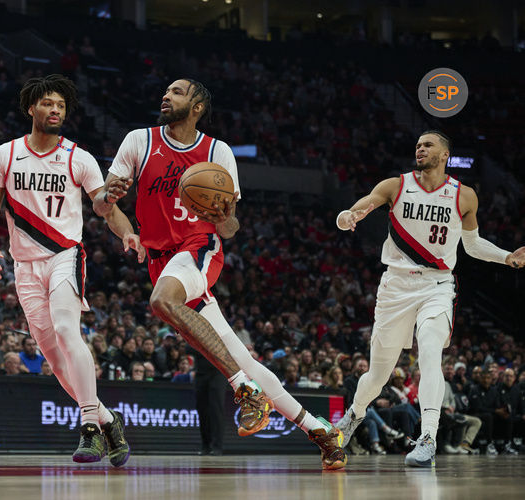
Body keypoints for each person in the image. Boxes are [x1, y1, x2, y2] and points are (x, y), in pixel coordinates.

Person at [93, 78, 345, 470]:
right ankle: (321, 431)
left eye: (177, 92)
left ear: (197, 107)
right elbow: (103, 206)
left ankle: (244, 391)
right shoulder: (138, 141)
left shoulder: (217, 151)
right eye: (166, 90)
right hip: (160, 260)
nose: (166, 95)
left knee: (161, 302)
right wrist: (113, 204)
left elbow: (230, 229)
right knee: (241, 356)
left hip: (198, 247)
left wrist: (223, 218)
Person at [335, 130, 525, 468]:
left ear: (445, 155)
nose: (420, 148)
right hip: (395, 288)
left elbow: (473, 245)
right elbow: (357, 208)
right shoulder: (395, 185)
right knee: (378, 375)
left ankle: (428, 436)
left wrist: (507, 257)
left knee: (430, 354)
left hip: (436, 286)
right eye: (418, 144)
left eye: (428, 145)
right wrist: (347, 216)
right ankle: (354, 414)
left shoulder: (464, 196)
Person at [0, 74, 138, 466]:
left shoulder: (77, 157)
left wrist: (127, 231)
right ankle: (107, 417)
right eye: (48, 103)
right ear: (31, 108)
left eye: (61, 106)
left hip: (66, 254)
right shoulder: (5, 154)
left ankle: (88, 428)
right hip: (24, 265)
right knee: (53, 355)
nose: (55, 110)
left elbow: (102, 205)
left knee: (68, 330)